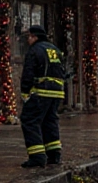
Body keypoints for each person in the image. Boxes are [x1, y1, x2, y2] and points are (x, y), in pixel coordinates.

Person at [19, 25, 65, 168]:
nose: (28, 40)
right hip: (57, 92)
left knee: (30, 120)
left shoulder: (35, 50)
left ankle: (37, 157)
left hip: (41, 91)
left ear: (35, 37)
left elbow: (28, 72)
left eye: (29, 36)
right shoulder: (55, 50)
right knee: (49, 121)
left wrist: (25, 92)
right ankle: (54, 154)